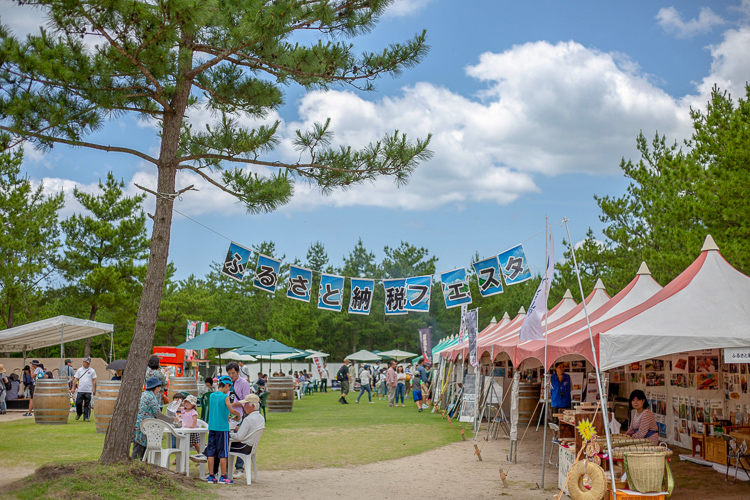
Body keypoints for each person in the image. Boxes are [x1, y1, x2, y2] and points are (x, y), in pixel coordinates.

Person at [206, 375, 241, 484]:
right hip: (222, 429)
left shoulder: (212, 396)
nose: (228, 392)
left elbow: (217, 410)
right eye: (229, 389)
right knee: (223, 453)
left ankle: (211, 476)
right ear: (226, 385)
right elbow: (230, 408)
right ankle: (223, 476)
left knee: (211, 452)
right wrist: (238, 414)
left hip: (212, 427)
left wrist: (227, 415)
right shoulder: (225, 397)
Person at [131, 376, 172, 460]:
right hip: (143, 428)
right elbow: (158, 415)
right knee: (139, 452)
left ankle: (141, 468)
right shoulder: (151, 398)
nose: (159, 390)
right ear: (155, 387)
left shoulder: (144, 394)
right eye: (159, 388)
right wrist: (172, 420)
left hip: (138, 426)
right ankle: (133, 469)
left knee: (141, 451)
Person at [226, 361, 252, 479]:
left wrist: (233, 404)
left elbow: (246, 400)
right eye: (229, 373)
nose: (231, 375)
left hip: (239, 414)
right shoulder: (226, 382)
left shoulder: (244, 383)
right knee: (227, 438)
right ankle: (226, 467)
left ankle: (239, 467)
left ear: (237, 372)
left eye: (233, 373)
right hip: (227, 415)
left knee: (239, 439)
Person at [228, 393, 265, 458]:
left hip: (244, 447)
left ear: (253, 406)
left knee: (221, 446)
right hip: (251, 446)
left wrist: (228, 434)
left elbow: (239, 437)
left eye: (245, 404)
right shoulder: (261, 418)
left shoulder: (248, 419)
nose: (244, 406)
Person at [73, 356, 97, 422]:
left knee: (87, 404)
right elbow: (75, 379)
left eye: (87, 363)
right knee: (78, 402)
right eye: (85, 362)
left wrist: (94, 389)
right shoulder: (79, 370)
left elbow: (94, 380)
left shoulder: (92, 370)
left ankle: (86, 417)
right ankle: (79, 413)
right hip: (80, 389)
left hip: (88, 390)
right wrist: (73, 387)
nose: (85, 364)